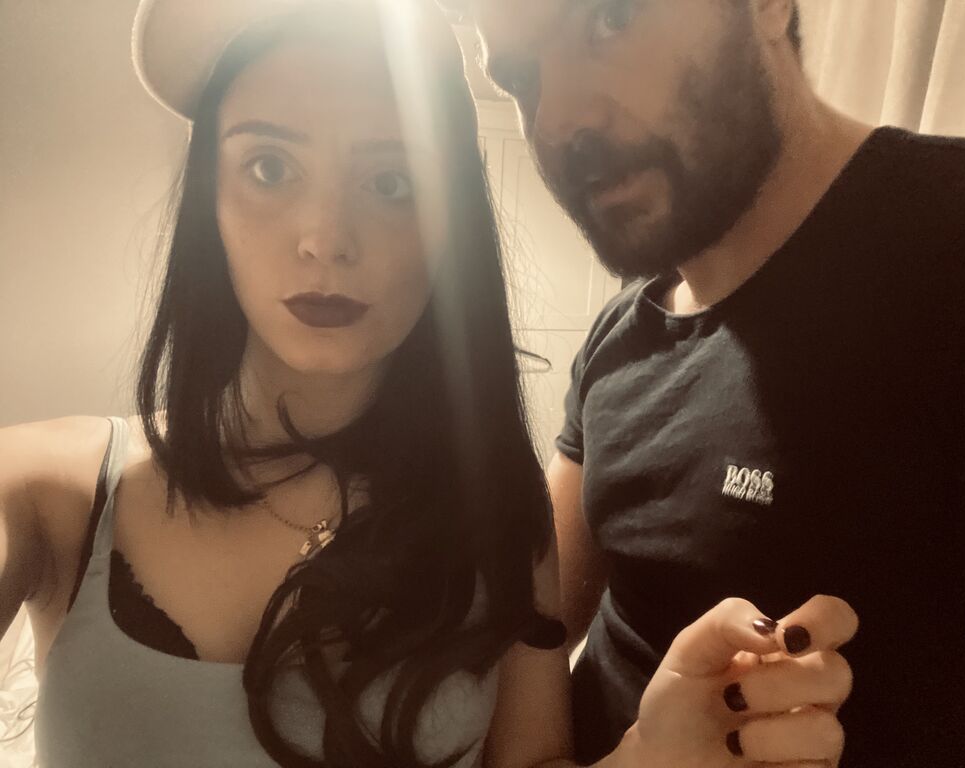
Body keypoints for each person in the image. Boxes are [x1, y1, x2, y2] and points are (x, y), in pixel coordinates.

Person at [0, 0, 859, 766]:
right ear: (207, 202)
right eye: (269, 168)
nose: (326, 235)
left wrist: (653, 754)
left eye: (391, 181)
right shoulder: (51, 492)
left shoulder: (499, 517)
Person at [458, 0, 965, 766]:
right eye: (521, 77)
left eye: (610, 19)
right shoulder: (619, 335)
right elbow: (527, 627)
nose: (560, 122)